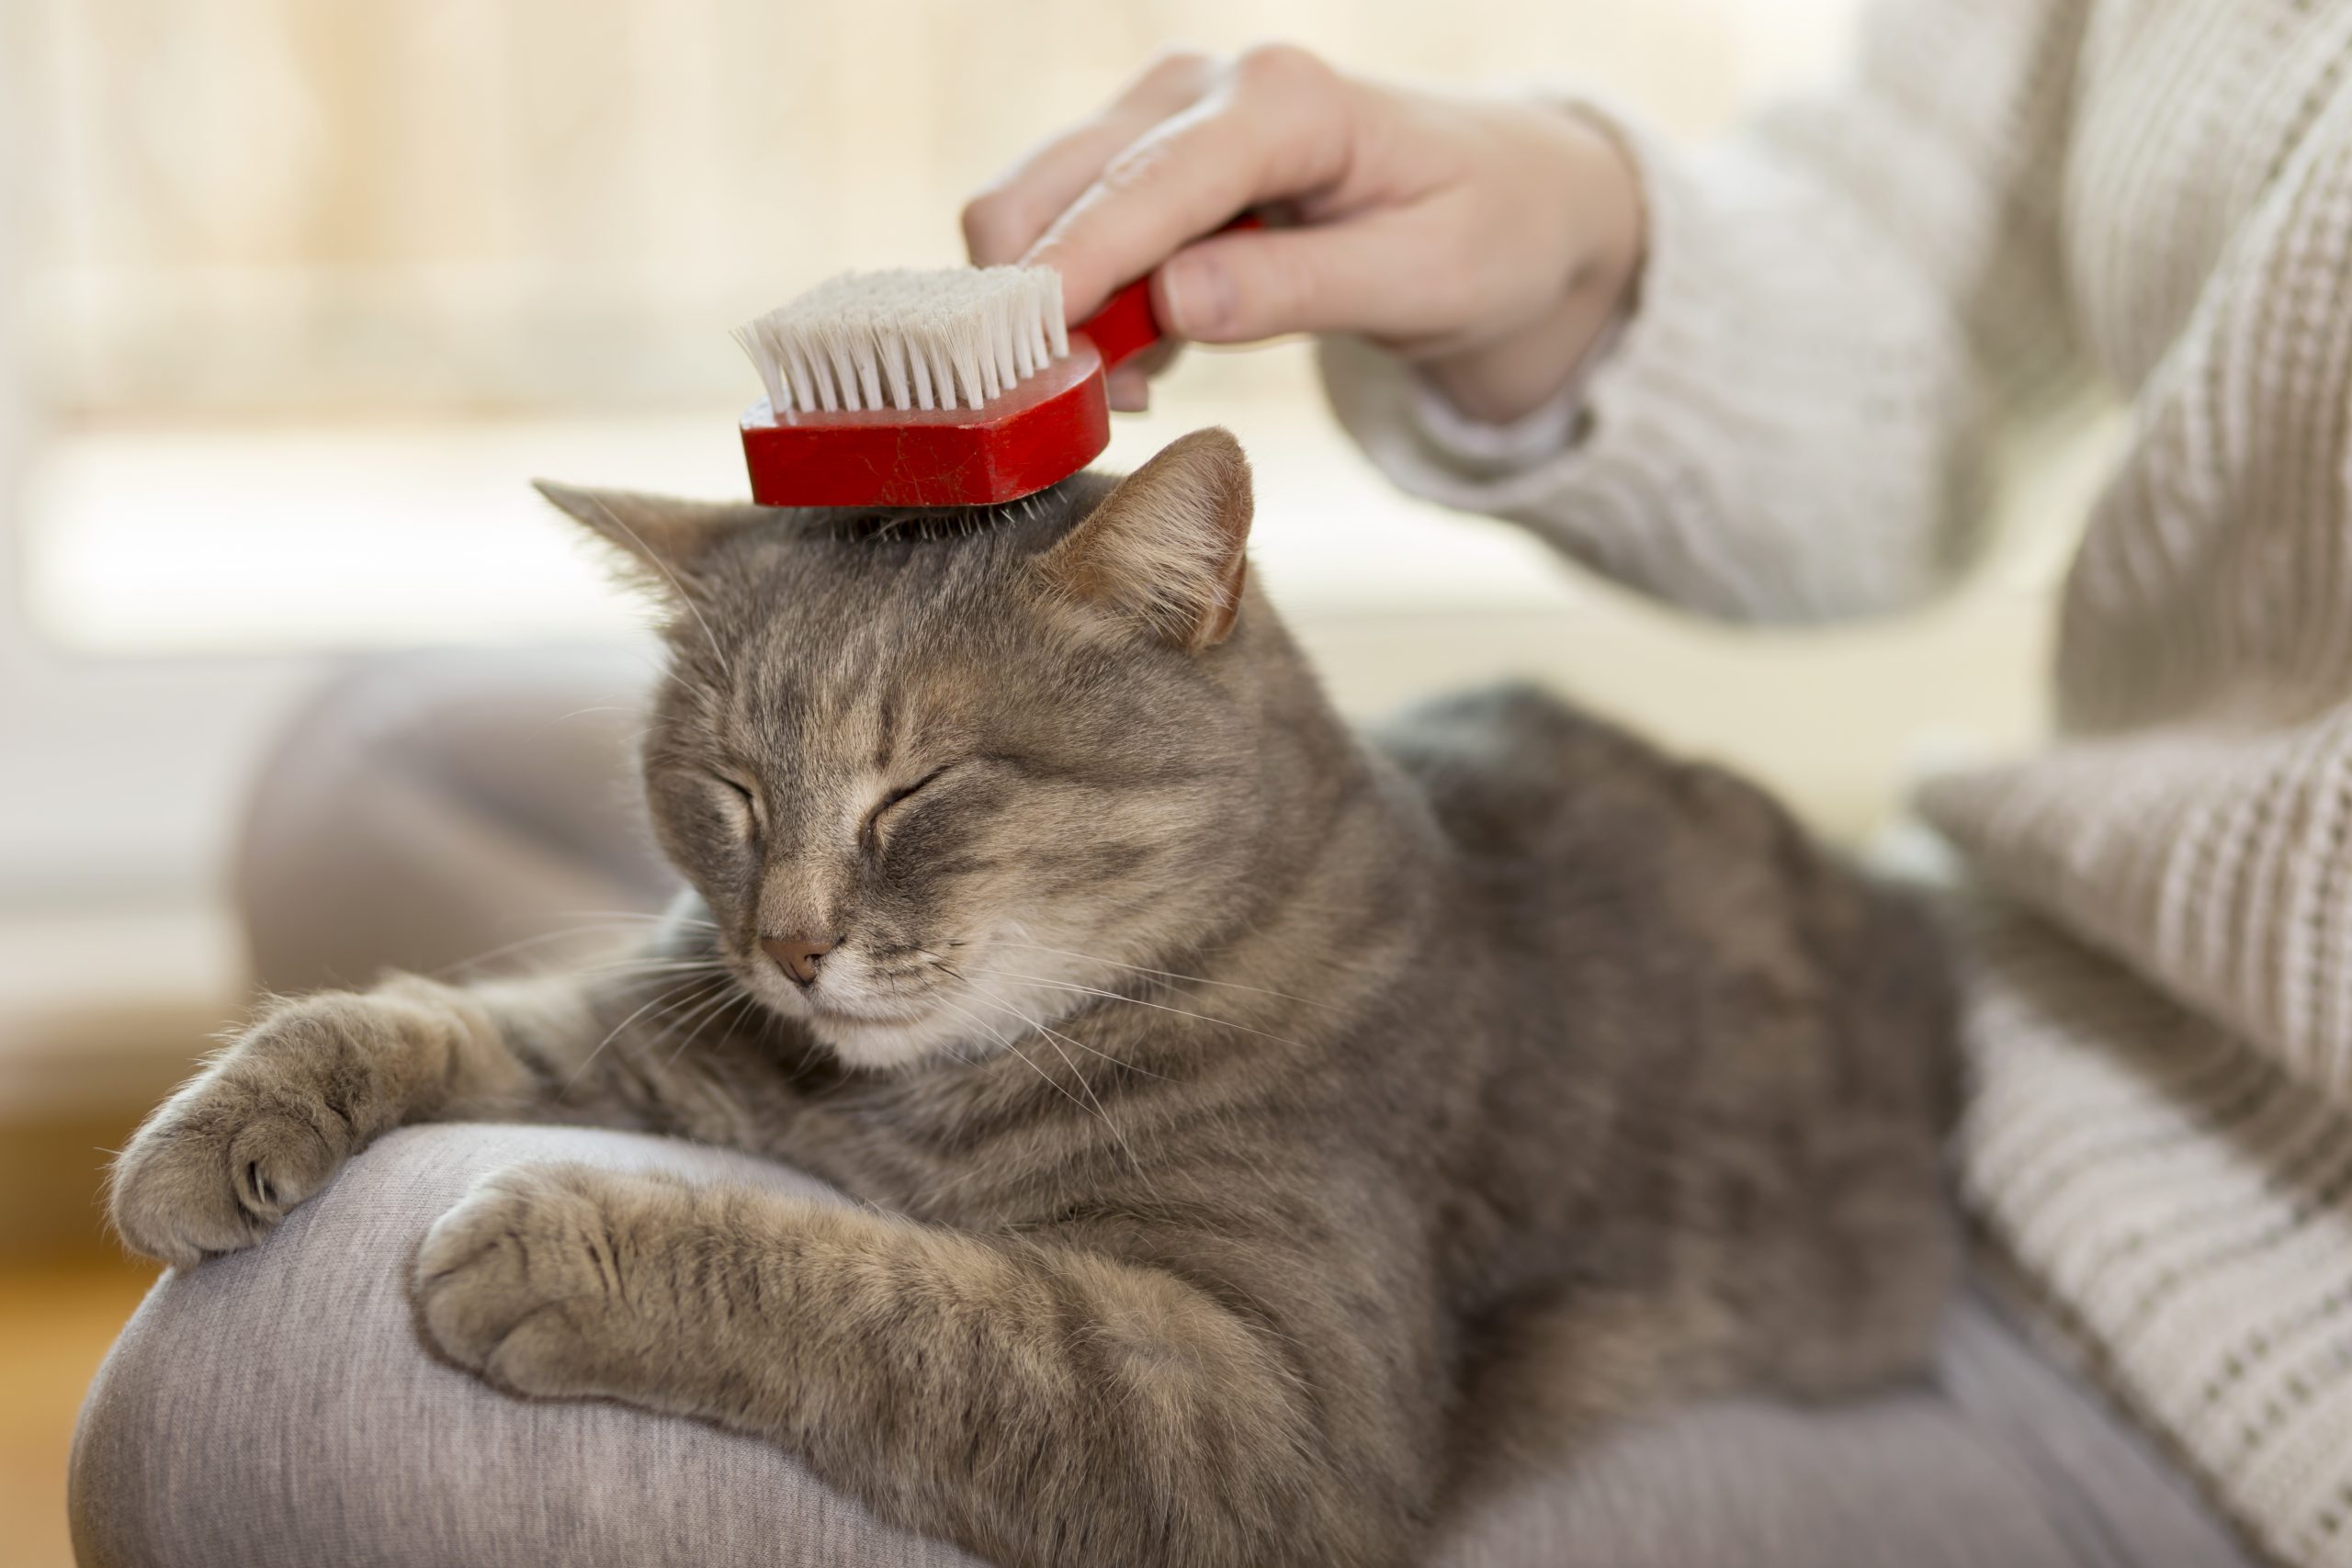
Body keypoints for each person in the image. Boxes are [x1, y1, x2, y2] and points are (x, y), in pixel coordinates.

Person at [73, 0, 2343, 1562]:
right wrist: (1561, 226)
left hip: (2157, 1367)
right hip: (2061, 997)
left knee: (276, 1374)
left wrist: (724, 1284)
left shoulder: (1311, 1008)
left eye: (899, 817)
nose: (785, 932)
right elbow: (1940, 274)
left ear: (1188, 618)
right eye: (745, 816)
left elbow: (1259, 1460)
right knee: (367, 765)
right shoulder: (878, 876)